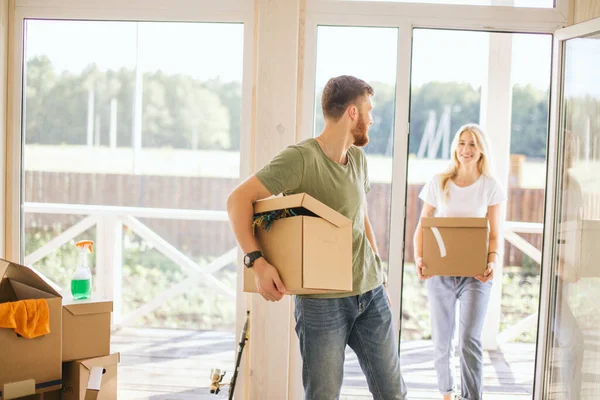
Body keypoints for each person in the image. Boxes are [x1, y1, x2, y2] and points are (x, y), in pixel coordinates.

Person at [227, 75, 407, 400]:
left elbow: (359, 217)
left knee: (393, 393)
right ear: (352, 112)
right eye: (370, 109)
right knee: (323, 396)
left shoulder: (358, 159)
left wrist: (379, 275)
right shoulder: (301, 158)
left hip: (369, 294)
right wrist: (257, 263)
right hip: (322, 304)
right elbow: (238, 200)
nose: (373, 117)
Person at [413, 123, 506, 400]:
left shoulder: (491, 186)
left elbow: (495, 235)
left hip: (475, 275)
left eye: (472, 144)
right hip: (440, 273)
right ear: (456, 146)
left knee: (468, 340)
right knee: (442, 342)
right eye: (462, 143)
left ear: (481, 151)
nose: (466, 149)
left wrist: (492, 262)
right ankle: (446, 394)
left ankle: (471, 396)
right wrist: (419, 258)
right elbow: (423, 227)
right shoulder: (438, 181)